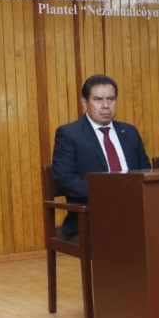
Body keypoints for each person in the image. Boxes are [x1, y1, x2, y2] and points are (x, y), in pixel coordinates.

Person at [51, 74, 150, 238]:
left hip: (135, 210)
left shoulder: (129, 132)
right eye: (98, 99)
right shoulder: (69, 134)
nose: (106, 105)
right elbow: (64, 179)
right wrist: (109, 193)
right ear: (85, 103)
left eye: (111, 99)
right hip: (92, 214)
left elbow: (145, 171)